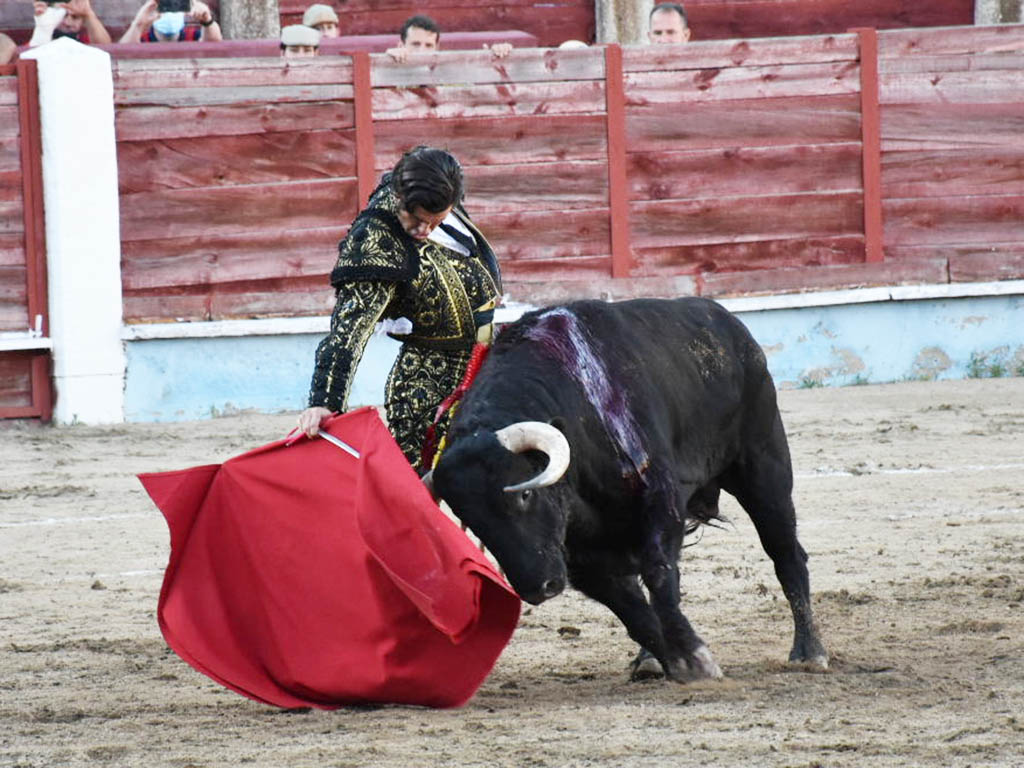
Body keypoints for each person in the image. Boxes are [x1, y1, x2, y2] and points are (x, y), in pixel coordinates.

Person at [297, 146, 503, 472]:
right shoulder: (375, 240)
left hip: (484, 365)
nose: (425, 232)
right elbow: (350, 329)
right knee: (419, 485)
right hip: (428, 382)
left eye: (436, 221)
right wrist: (325, 401)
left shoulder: (434, 189)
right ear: (400, 199)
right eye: (418, 221)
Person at [385, 14, 512, 63]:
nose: (421, 51)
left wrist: (497, 57)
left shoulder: (448, 73)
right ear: (401, 46)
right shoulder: (388, 74)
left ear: (437, 48)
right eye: (415, 44)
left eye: (428, 45)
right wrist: (388, 62)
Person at [120, 0, 222, 43]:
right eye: (164, 4)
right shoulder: (141, 39)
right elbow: (122, 54)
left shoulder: (194, 35)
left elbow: (215, 43)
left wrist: (207, 19)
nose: (169, 11)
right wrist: (138, 24)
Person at [29, 0, 112, 47]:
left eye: (75, 17)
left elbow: (106, 50)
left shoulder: (86, 41)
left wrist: (89, 15)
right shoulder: (36, 39)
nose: (67, 23)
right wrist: (44, 29)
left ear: (82, 22)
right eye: (62, 16)